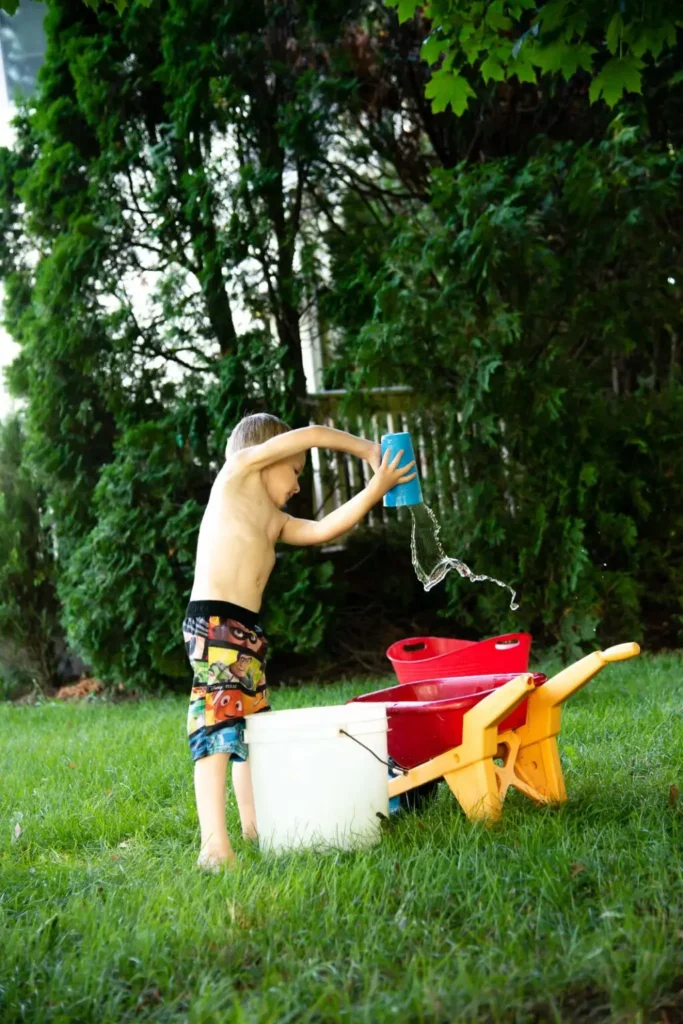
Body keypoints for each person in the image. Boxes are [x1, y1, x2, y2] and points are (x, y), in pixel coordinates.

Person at [182, 412, 416, 870]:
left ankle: (253, 827)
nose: (296, 485)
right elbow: (312, 433)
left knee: (250, 730)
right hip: (214, 626)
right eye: (295, 471)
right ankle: (213, 845)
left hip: (245, 633)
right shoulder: (237, 475)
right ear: (273, 455)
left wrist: (376, 488)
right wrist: (369, 451)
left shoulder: (274, 519)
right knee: (216, 728)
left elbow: (322, 529)